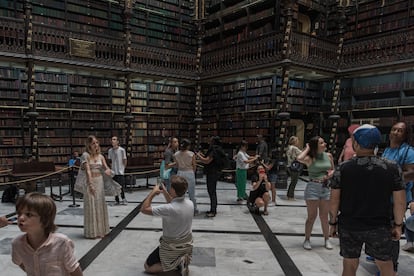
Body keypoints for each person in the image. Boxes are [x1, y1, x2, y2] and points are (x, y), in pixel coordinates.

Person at [329, 124, 406, 276]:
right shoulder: (391, 167)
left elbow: (334, 199)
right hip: (379, 226)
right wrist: (398, 225)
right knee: (385, 264)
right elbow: (400, 201)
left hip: (350, 225)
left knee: (349, 264)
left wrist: (332, 223)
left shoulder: (343, 168)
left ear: (356, 143)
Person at [11, 192, 83, 276]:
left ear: (45, 219)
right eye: (19, 213)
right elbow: (19, 262)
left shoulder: (61, 242)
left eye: (29, 214)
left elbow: (75, 270)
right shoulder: (17, 244)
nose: (21, 218)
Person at [141, 175, 193, 276]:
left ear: (173, 190)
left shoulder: (168, 209)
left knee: (147, 267)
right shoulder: (190, 204)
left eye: (170, 187)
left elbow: (144, 209)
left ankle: (177, 265)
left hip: (171, 246)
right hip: (185, 244)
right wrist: (164, 190)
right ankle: (179, 261)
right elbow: (173, 202)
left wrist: (152, 193)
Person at [381, 121, 414, 270]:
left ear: (405, 135)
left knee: (394, 232)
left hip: (398, 200)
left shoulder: (408, 151)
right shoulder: (387, 150)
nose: (395, 132)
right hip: (383, 198)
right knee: (382, 231)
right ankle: (383, 258)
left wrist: (390, 180)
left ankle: (392, 265)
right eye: (394, 129)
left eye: (400, 131)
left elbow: (412, 173)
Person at [297, 136, 334, 250]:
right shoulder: (310, 158)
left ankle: (326, 239)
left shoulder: (328, 155)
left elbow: (333, 169)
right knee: (312, 216)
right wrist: (308, 148)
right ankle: (307, 239)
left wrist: (329, 175)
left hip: (325, 187)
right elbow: (299, 158)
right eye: (322, 143)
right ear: (315, 146)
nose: (325, 144)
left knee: (324, 216)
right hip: (313, 187)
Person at [81, 135, 112, 239]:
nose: (96, 145)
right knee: (91, 205)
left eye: (97, 143)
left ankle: (101, 231)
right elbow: (87, 170)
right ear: (89, 145)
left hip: (99, 182)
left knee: (99, 204)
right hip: (90, 182)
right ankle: (92, 232)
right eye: (93, 143)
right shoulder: (85, 155)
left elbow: (106, 168)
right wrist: (90, 184)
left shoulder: (101, 156)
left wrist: (109, 171)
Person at [197, 136, 226, 217]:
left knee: (212, 191)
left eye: (211, 140)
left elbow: (207, 161)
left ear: (213, 141)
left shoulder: (214, 149)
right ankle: (212, 208)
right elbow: (209, 157)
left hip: (212, 173)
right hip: (215, 172)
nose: (209, 141)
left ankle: (213, 210)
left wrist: (199, 156)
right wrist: (202, 155)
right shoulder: (218, 149)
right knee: (212, 191)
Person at [174, 138, 198, 215]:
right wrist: (192, 172)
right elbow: (194, 165)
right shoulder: (191, 154)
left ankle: (180, 209)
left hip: (180, 172)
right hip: (189, 172)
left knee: (180, 192)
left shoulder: (176, 154)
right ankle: (194, 209)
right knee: (191, 193)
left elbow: (177, 165)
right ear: (188, 146)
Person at [108, 136, 128, 205]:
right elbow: (110, 160)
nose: (112, 141)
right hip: (114, 171)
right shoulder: (110, 151)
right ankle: (116, 200)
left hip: (120, 171)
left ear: (117, 141)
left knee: (121, 186)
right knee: (114, 186)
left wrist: (123, 168)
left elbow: (125, 160)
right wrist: (111, 169)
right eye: (112, 139)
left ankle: (123, 198)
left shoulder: (122, 150)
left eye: (114, 139)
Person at [286, 136, 303, 200]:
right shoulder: (294, 148)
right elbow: (301, 155)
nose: (298, 142)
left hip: (289, 166)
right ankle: (290, 196)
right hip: (294, 166)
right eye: (297, 141)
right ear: (294, 141)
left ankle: (289, 195)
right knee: (294, 182)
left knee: (292, 181)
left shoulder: (288, 147)